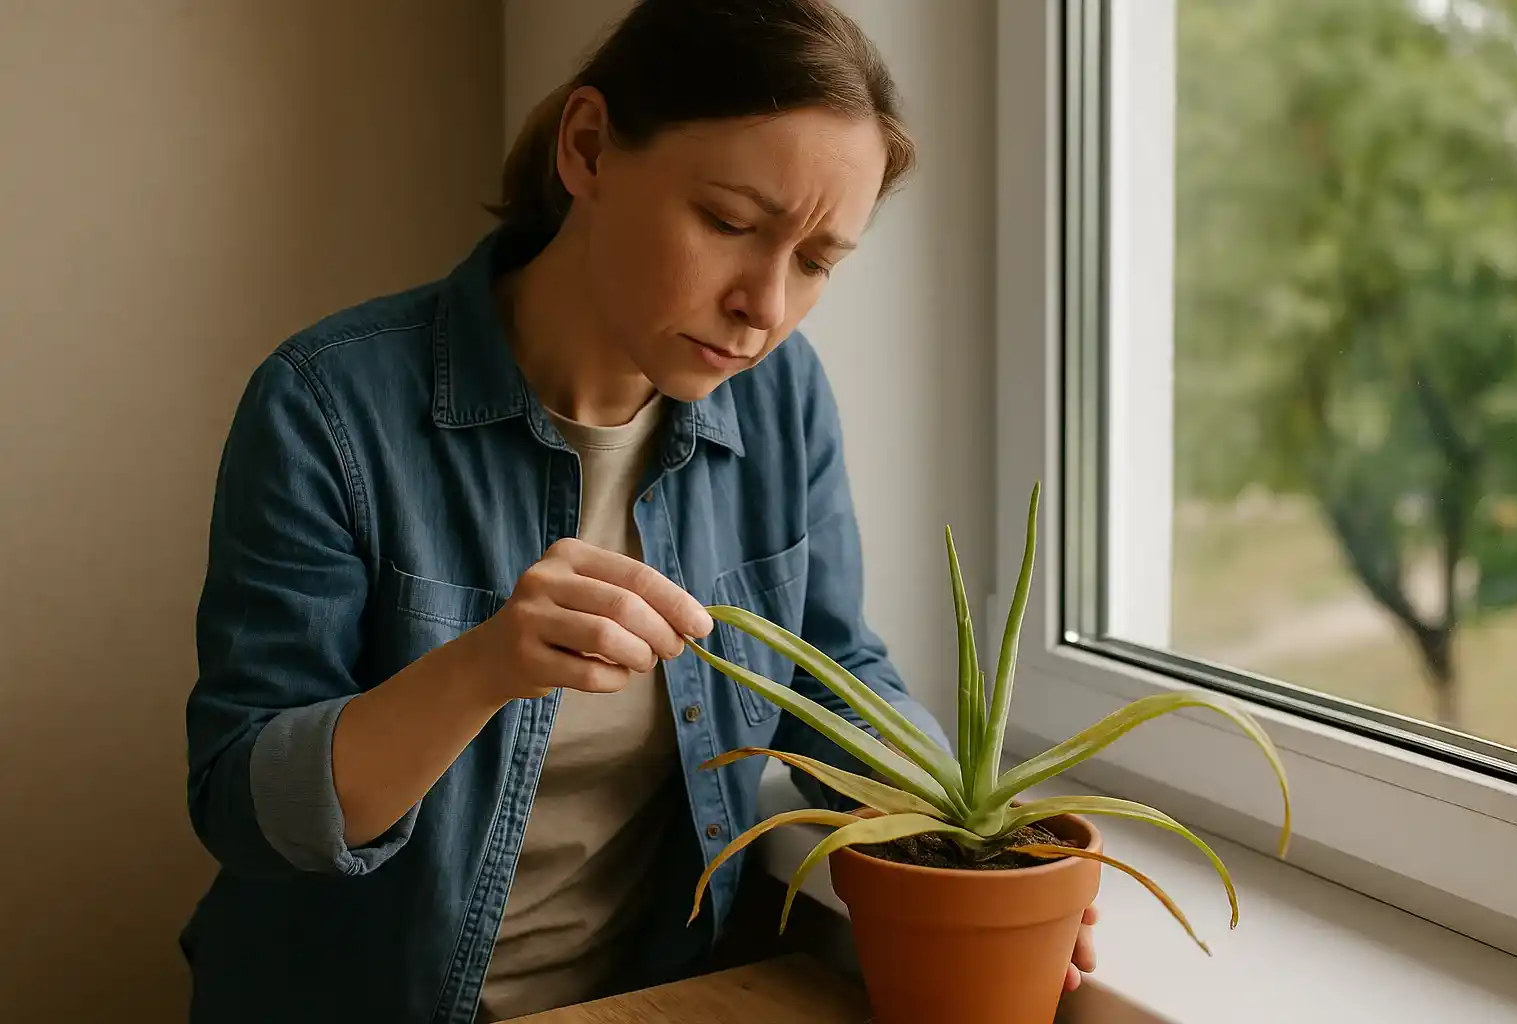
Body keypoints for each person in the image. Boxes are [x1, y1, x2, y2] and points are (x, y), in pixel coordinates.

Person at [180, 1, 1097, 1020]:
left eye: (818, 261)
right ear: (588, 149)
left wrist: (990, 857)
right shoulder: (329, 405)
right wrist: (485, 666)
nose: (768, 305)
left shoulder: (782, 398)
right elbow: (246, 805)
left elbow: (835, 676)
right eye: (732, 224)